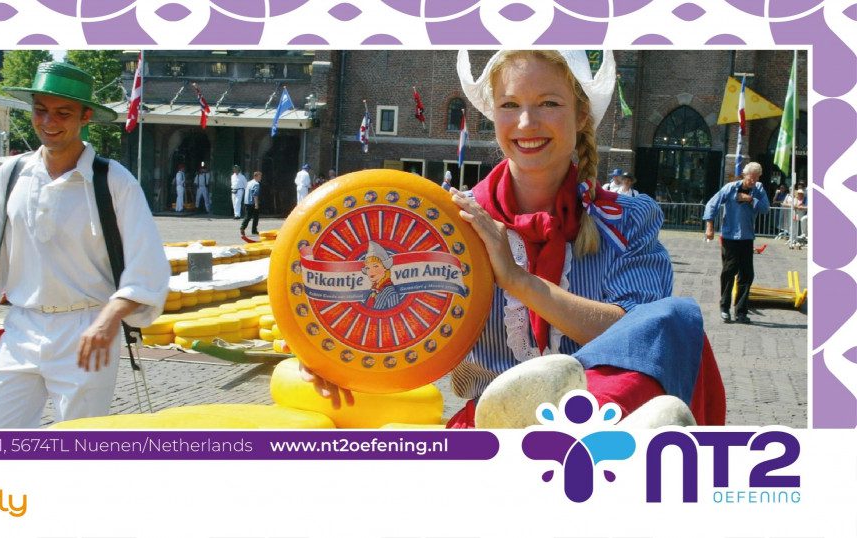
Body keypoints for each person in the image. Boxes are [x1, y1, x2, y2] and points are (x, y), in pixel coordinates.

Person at [300, 49, 726, 429]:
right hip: (493, 424)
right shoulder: (449, 223)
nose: (526, 123)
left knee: (675, 320)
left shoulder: (628, 219)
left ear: (580, 115)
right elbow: (410, 333)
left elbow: (645, 340)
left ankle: (573, 423)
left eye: (549, 103)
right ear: (493, 115)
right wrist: (338, 357)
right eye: (510, 105)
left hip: (604, 409)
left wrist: (518, 281)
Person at [0, 61, 170, 429]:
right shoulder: (12, 173)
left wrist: (107, 322)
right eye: (40, 111)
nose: (49, 122)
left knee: (77, 449)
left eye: (62, 113)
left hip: (86, 329)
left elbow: (148, 267)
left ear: (85, 116)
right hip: (20, 326)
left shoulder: (114, 181)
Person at [703, 162, 770, 324]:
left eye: (756, 178)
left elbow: (765, 208)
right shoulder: (731, 188)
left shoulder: (758, 189)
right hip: (730, 237)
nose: (753, 181)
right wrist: (709, 227)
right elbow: (712, 204)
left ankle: (741, 311)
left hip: (747, 238)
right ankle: (724, 307)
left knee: (747, 275)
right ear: (744, 175)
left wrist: (750, 199)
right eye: (751, 177)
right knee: (729, 272)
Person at [362, 242, 401, 310]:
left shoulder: (390, 293)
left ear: (385, 268)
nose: (371, 271)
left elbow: (394, 317)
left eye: (375, 266)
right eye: (368, 268)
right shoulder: (372, 294)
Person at [240, 171, 262, 235]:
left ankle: (243, 227)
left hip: (246, 201)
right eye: (259, 176)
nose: (260, 178)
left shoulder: (249, 182)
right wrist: (256, 204)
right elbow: (255, 194)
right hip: (252, 202)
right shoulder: (256, 184)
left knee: (248, 216)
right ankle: (253, 230)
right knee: (255, 217)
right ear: (255, 176)